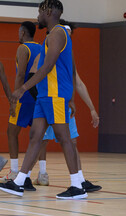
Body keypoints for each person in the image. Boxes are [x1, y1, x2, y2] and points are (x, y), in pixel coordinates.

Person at [0, 0, 88, 199]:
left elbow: (47, 66)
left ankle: (77, 186)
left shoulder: (57, 34)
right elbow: (69, 68)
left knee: (64, 139)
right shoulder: (54, 35)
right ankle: (19, 181)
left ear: (48, 12)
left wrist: (23, 88)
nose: (37, 16)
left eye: (39, 12)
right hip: (45, 95)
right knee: (35, 137)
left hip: (54, 94)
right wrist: (71, 97)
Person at [33, 21, 102, 192]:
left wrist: (92, 108)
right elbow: (34, 74)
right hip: (48, 100)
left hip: (63, 103)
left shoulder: (67, 57)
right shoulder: (44, 53)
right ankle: (28, 176)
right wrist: (40, 99)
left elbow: (78, 82)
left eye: (70, 34)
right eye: (66, 32)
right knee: (39, 140)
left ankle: (79, 179)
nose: (68, 36)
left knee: (71, 141)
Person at [0, 22, 41, 192]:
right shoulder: (41, 47)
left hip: (25, 97)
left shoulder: (23, 49)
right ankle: (30, 174)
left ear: (23, 33)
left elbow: (21, 74)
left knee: (11, 132)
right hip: (38, 96)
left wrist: (15, 98)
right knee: (38, 138)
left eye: (18, 32)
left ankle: (15, 171)